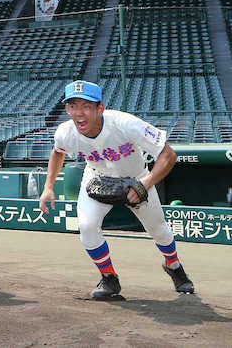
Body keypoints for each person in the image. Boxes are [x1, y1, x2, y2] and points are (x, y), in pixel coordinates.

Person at [38, 80, 194, 299]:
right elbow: (57, 152)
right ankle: (109, 279)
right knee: (87, 226)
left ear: (99, 108)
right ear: (67, 109)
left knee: (158, 229)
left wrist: (145, 184)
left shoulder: (124, 124)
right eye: (73, 106)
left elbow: (168, 155)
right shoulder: (65, 132)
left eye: (86, 106)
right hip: (97, 177)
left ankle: (174, 266)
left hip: (137, 179)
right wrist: (48, 187)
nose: (79, 113)